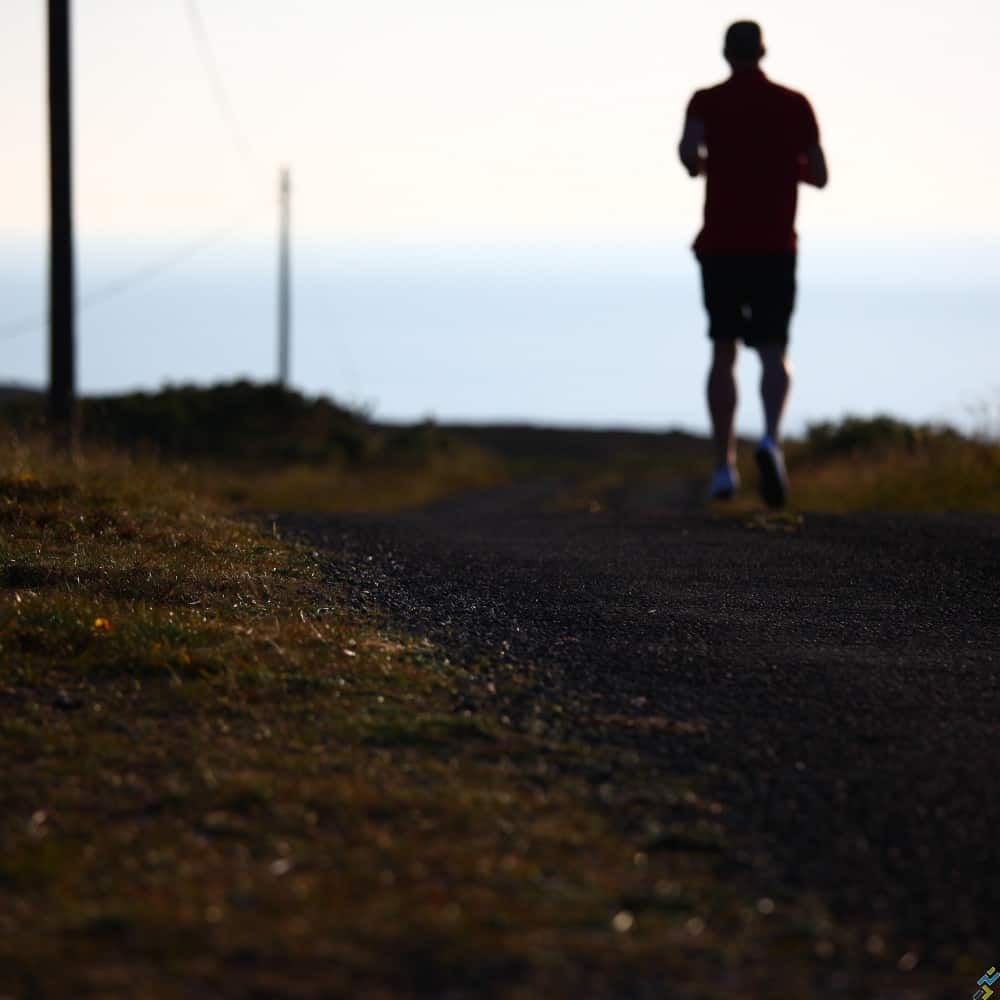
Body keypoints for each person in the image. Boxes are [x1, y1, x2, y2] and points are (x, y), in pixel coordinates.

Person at [679, 20, 827, 507]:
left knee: (723, 352)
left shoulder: (705, 100)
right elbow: (820, 174)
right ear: (763, 53)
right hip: (774, 247)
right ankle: (769, 439)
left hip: (721, 245)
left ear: (726, 54)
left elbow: (688, 154)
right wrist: (782, 166)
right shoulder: (794, 104)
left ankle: (724, 467)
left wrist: (710, 164)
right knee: (771, 349)